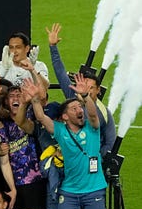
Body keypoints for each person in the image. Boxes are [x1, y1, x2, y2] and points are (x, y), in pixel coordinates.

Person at [26, 75, 107, 209]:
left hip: (94, 190)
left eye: (80, 107)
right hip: (69, 192)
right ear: (64, 116)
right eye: (74, 108)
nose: (80, 110)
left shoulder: (91, 128)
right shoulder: (60, 131)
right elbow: (40, 116)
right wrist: (34, 99)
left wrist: (86, 97)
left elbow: (92, 113)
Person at [46, 23, 115, 156]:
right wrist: (53, 47)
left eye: (91, 88)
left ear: (98, 90)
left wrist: (95, 157)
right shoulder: (73, 96)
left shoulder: (104, 113)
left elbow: (109, 143)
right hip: (71, 156)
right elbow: (60, 72)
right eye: (84, 86)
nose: (86, 91)